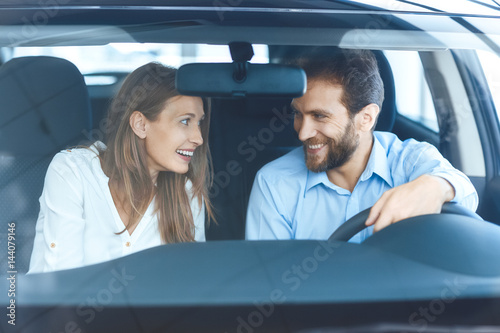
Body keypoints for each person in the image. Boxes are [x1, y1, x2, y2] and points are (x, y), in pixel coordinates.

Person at [245, 49, 478, 242]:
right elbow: (267, 284)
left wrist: (433, 188)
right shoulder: (274, 184)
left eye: (320, 116)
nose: (302, 133)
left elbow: (467, 196)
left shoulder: (409, 162)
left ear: (365, 118)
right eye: (298, 114)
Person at [29, 62, 214, 273]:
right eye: (184, 121)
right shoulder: (72, 173)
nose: (198, 138)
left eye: (199, 122)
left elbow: (192, 285)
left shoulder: (187, 193)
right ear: (140, 125)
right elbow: (64, 285)